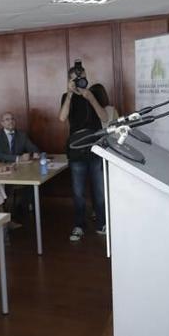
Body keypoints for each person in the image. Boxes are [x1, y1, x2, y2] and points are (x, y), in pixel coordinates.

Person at [58, 60, 110, 242]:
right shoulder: (66, 96)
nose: (80, 82)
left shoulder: (93, 93)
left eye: (83, 78)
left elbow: (104, 117)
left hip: (95, 147)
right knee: (78, 191)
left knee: (99, 190)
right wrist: (71, 95)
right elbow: (62, 118)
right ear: (69, 81)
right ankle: (79, 225)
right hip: (76, 150)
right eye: (76, 80)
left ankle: (102, 223)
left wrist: (90, 98)